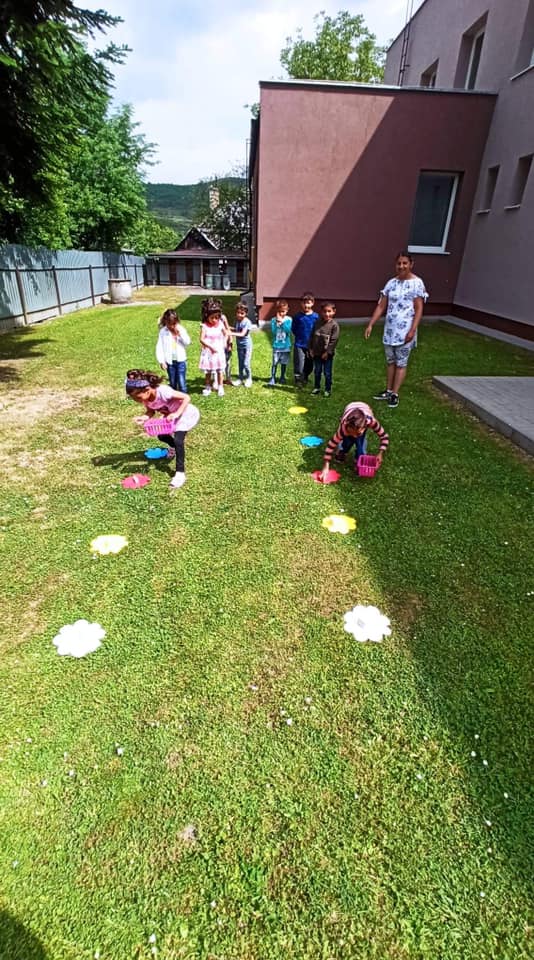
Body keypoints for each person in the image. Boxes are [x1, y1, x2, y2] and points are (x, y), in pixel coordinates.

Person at [365, 251, 428, 408]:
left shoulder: (417, 283)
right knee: (390, 361)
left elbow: (419, 309)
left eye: (405, 263)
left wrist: (413, 330)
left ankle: (395, 393)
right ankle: (388, 390)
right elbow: (381, 306)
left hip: (405, 331)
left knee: (401, 362)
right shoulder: (391, 283)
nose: (401, 266)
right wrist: (371, 324)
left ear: (411, 264)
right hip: (390, 330)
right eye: (399, 263)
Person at [125, 368, 200, 489]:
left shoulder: (163, 391)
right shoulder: (146, 399)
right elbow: (150, 411)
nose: (137, 401)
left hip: (184, 414)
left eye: (137, 397)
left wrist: (176, 413)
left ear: (147, 390)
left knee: (178, 440)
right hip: (170, 418)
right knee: (161, 435)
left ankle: (180, 473)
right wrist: (144, 417)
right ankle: (173, 448)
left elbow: (186, 397)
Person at [319, 401, 389, 482]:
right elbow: (331, 445)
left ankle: (358, 459)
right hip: (350, 407)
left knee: (360, 447)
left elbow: (384, 436)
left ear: (364, 427)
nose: (354, 436)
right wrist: (326, 467)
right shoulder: (343, 428)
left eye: (358, 433)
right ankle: (342, 451)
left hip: (365, 408)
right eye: (350, 432)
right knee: (347, 442)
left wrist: (380, 453)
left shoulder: (371, 421)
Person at [308, 301, 340, 398]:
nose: (327, 314)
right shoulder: (317, 323)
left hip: (327, 355)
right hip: (317, 353)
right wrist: (310, 349)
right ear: (321, 312)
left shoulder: (334, 325)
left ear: (334, 312)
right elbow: (311, 336)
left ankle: (327, 389)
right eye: (324, 311)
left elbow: (334, 340)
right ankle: (317, 387)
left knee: (327, 373)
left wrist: (328, 352)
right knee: (317, 371)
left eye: (329, 311)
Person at [155, 308, 191, 393]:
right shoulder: (163, 332)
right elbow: (159, 347)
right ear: (165, 322)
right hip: (169, 362)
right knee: (173, 383)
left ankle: (184, 398)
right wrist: (162, 361)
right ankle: (174, 398)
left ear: (177, 321)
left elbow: (188, 342)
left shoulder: (180, 329)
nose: (172, 326)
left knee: (182, 383)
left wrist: (179, 335)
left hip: (181, 361)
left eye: (174, 324)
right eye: (169, 324)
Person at [199, 305, 229, 397]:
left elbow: (226, 333)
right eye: (212, 318)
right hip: (209, 352)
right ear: (207, 316)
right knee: (208, 371)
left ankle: (220, 386)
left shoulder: (220, 324)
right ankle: (207, 386)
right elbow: (201, 339)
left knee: (220, 370)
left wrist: (225, 341)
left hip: (218, 351)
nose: (215, 320)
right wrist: (210, 347)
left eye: (217, 317)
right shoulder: (204, 326)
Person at [291, 291, 318, 386]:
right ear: (301, 303)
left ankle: (305, 376)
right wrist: (299, 336)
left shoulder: (316, 317)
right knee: (299, 362)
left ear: (313, 303)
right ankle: (298, 378)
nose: (306, 305)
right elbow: (294, 329)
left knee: (309, 363)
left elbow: (318, 329)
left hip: (311, 345)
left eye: (309, 303)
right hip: (299, 343)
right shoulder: (297, 317)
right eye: (304, 303)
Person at [268, 299, 292, 386]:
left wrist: (282, 323)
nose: (281, 314)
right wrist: (276, 323)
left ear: (287, 310)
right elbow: (274, 332)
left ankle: (282, 376)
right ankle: (272, 377)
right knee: (275, 362)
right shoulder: (273, 320)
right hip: (277, 345)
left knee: (284, 362)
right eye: (279, 311)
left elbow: (288, 331)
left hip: (285, 345)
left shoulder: (289, 319)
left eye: (283, 311)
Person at [230, 301, 253, 387]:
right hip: (239, 346)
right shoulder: (237, 321)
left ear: (246, 313)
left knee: (246, 363)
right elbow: (235, 329)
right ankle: (240, 378)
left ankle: (249, 378)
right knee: (240, 363)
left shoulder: (247, 322)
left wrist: (230, 333)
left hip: (247, 346)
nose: (239, 315)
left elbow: (242, 334)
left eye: (242, 313)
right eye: (238, 313)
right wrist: (225, 327)